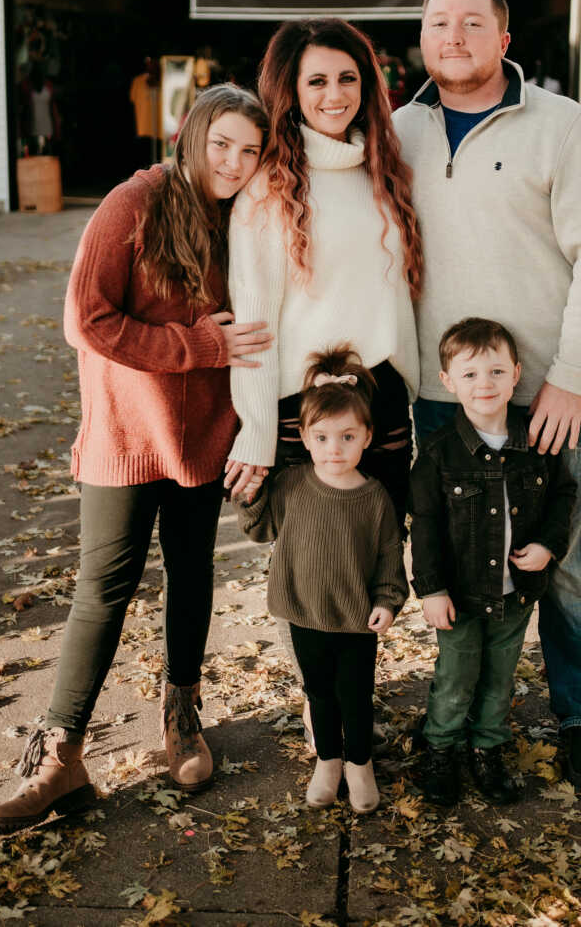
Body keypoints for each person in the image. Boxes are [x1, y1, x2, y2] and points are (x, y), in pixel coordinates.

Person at [0, 84, 272, 836]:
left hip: (206, 432)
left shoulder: (248, 218)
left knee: (192, 571)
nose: (234, 163)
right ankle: (60, 754)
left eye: (250, 151)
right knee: (102, 588)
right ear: (192, 135)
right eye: (222, 145)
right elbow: (86, 319)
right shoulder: (134, 202)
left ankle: (181, 713)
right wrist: (198, 345)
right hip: (124, 433)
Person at [393, 0, 581, 795]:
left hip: (548, 395)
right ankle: (459, 719)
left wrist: (572, 378)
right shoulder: (396, 132)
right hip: (442, 396)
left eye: (470, 22)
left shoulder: (563, 127)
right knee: (460, 564)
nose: (451, 35)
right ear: (421, 38)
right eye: (436, 22)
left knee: (569, 564)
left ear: (504, 40)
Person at [224, 17, 422, 531]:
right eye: (316, 81)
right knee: (317, 580)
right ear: (290, 90)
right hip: (304, 407)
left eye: (347, 78)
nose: (334, 94)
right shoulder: (267, 189)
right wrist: (257, 428)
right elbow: (253, 323)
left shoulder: (383, 170)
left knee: (378, 573)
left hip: (383, 400)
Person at [410, 318, 576, 807]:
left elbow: (563, 495)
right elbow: (424, 524)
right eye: (469, 375)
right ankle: (441, 749)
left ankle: (488, 748)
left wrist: (547, 545)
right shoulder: (438, 454)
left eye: (496, 372)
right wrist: (432, 589)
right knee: (456, 677)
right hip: (459, 595)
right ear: (447, 382)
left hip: (515, 592)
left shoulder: (535, 442)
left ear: (516, 374)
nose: (484, 384)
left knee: (501, 677)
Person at [237, 347, 408, 813]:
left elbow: (391, 558)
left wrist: (388, 601)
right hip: (304, 612)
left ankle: (360, 764)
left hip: (355, 619)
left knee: (355, 696)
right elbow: (258, 530)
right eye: (324, 437)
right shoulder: (292, 486)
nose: (336, 449)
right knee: (319, 694)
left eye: (348, 437)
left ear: (367, 437)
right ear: (306, 440)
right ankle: (328, 762)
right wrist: (251, 494)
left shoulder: (375, 499)